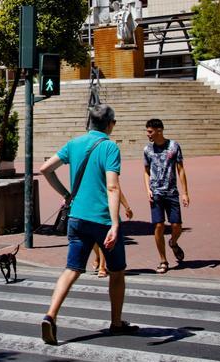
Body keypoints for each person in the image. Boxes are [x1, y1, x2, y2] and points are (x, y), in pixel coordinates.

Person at [39, 104, 138, 345]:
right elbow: (112, 186)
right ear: (110, 124)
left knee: (71, 269)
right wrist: (115, 224)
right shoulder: (109, 147)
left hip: (77, 219)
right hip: (102, 219)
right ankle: (116, 323)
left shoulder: (74, 144)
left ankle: (50, 315)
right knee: (116, 272)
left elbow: (45, 169)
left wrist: (66, 194)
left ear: (89, 123)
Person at [143, 118, 190, 275]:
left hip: (171, 192)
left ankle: (173, 242)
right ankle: (163, 260)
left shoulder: (174, 146)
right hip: (156, 193)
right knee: (158, 226)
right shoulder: (147, 150)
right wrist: (147, 189)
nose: (147, 134)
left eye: (150, 131)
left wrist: (185, 193)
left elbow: (181, 169)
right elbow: (146, 171)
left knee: (177, 226)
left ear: (159, 131)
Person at [92, 193, 133, 278]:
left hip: (105, 208)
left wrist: (127, 207)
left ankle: (102, 267)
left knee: (103, 237)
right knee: (92, 240)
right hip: (89, 207)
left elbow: (116, 189)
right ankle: (98, 256)